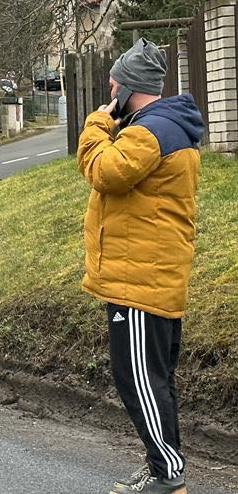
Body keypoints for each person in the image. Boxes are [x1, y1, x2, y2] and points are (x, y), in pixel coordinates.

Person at [77, 38, 203, 494]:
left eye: (113, 85)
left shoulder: (148, 132)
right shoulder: (162, 127)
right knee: (153, 381)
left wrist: (96, 122)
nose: (109, 92)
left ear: (128, 87)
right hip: (150, 274)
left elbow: (103, 171)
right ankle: (162, 469)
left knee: (138, 382)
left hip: (139, 281)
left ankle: (168, 475)